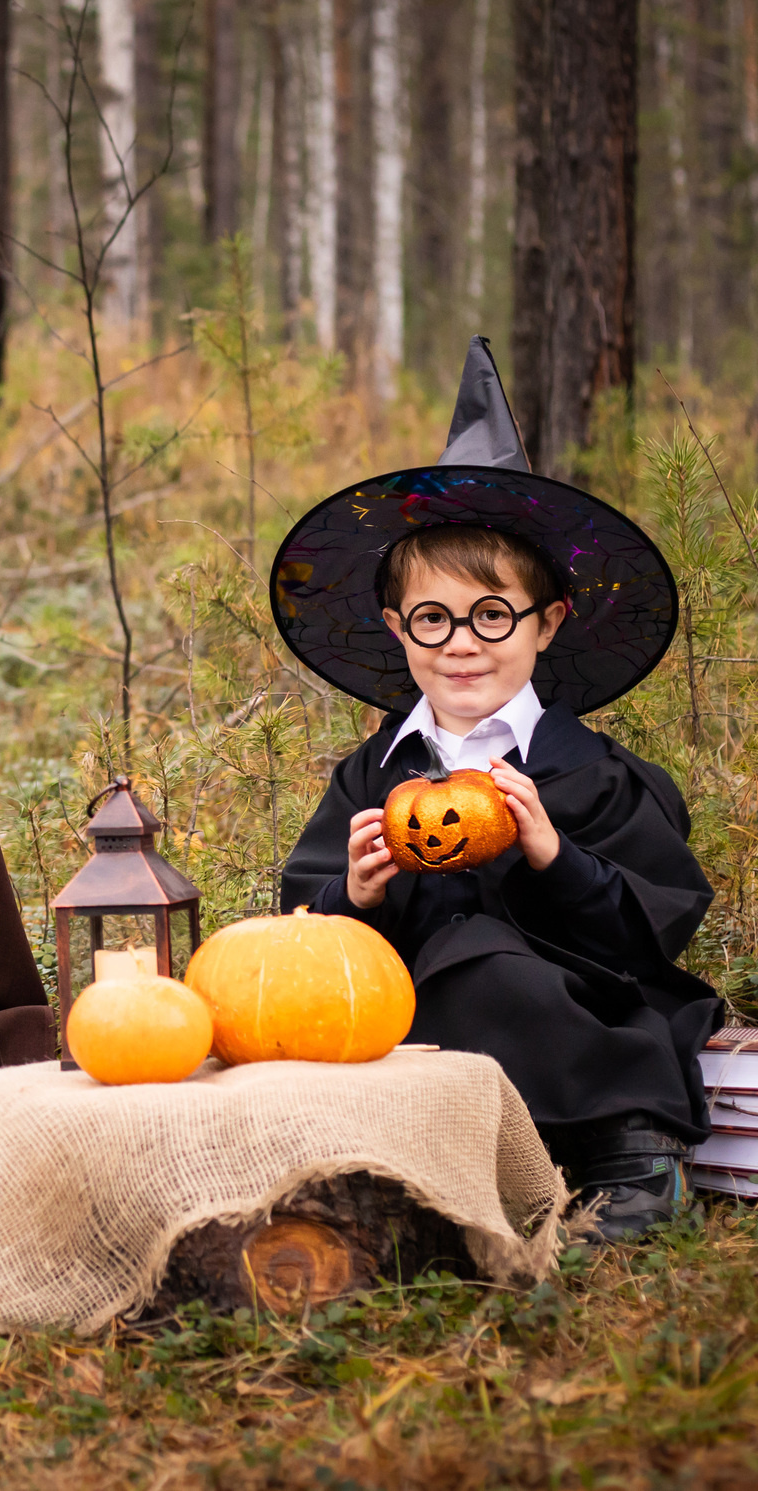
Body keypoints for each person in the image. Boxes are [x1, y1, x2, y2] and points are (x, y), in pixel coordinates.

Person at [273, 340, 721, 1242]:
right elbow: (302, 934)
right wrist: (350, 894)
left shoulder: (595, 774)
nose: (462, 644)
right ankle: (410, 1185)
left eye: (492, 615)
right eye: (433, 619)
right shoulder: (372, 776)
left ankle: (623, 1155)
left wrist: (554, 855)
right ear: (399, 630)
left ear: (547, 622)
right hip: (416, 1034)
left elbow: (647, 934)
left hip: (560, 1026)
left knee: (494, 965)